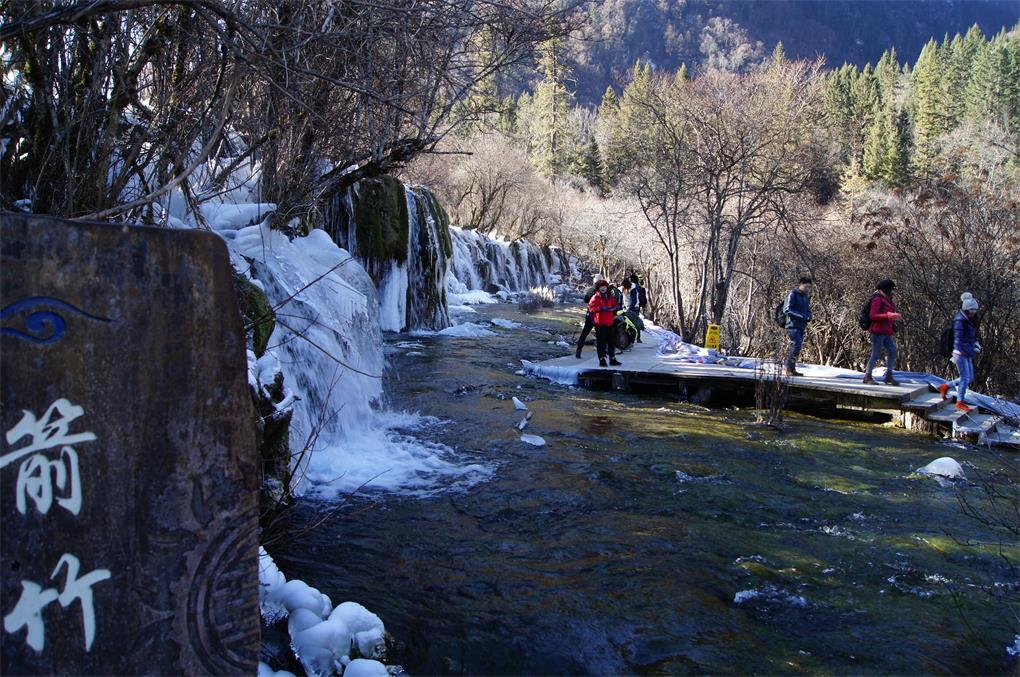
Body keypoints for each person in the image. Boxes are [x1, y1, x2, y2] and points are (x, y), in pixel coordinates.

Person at [939, 292, 981, 412]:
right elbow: (959, 339)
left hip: (967, 352)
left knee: (970, 378)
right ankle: (959, 401)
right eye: (972, 310)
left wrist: (975, 344)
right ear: (967, 309)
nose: (974, 313)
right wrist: (970, 349)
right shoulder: (960, 320)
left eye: (975, 310)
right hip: (960, 353)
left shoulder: (969, 319)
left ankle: (946, 386)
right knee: (964, 378)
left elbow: (970, 337)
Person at [863, 279, 902, 385]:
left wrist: (892, 320)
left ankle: (889, 375)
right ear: (886, 289)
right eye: (892, 289)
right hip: (877, 331)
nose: (893, 292)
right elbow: (873, 315)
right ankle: (868, 376)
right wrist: (888, 316)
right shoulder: (877, 299)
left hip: (886, 331)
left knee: (893, 350)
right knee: (876, 354)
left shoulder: (887, 299)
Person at [781, 276, 813, 377]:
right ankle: (787, 367)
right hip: (792, 325)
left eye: (809, 287)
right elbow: (787, 309)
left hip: (801, 325)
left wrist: (809, 316)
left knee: (797, 347)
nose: (807, 289)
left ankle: (792, 369)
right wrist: (801, 316)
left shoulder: (805, 297)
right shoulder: (793, 294)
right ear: (800, 285)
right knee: (796, 345)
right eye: (806, 287)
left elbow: (807, 309)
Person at [589, 279, 622, 367]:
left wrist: (616, 307)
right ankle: (602, 359)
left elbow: (615, 305)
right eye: (601, 287)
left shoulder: (610, 297)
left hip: (609, 321)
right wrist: (601, 308)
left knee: (611, 341)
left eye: (604, 287)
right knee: (601, 342)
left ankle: (612, 358)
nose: (603, 288)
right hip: (599, 322)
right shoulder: (595, 297)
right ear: (598, 288)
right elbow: (591, 308)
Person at [575, 274, 604, 358]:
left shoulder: (591, 290)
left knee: (584, 333)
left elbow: (586, 299)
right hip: (600, 316)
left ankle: (579, 349)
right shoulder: (604, 290)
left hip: (590, 315)